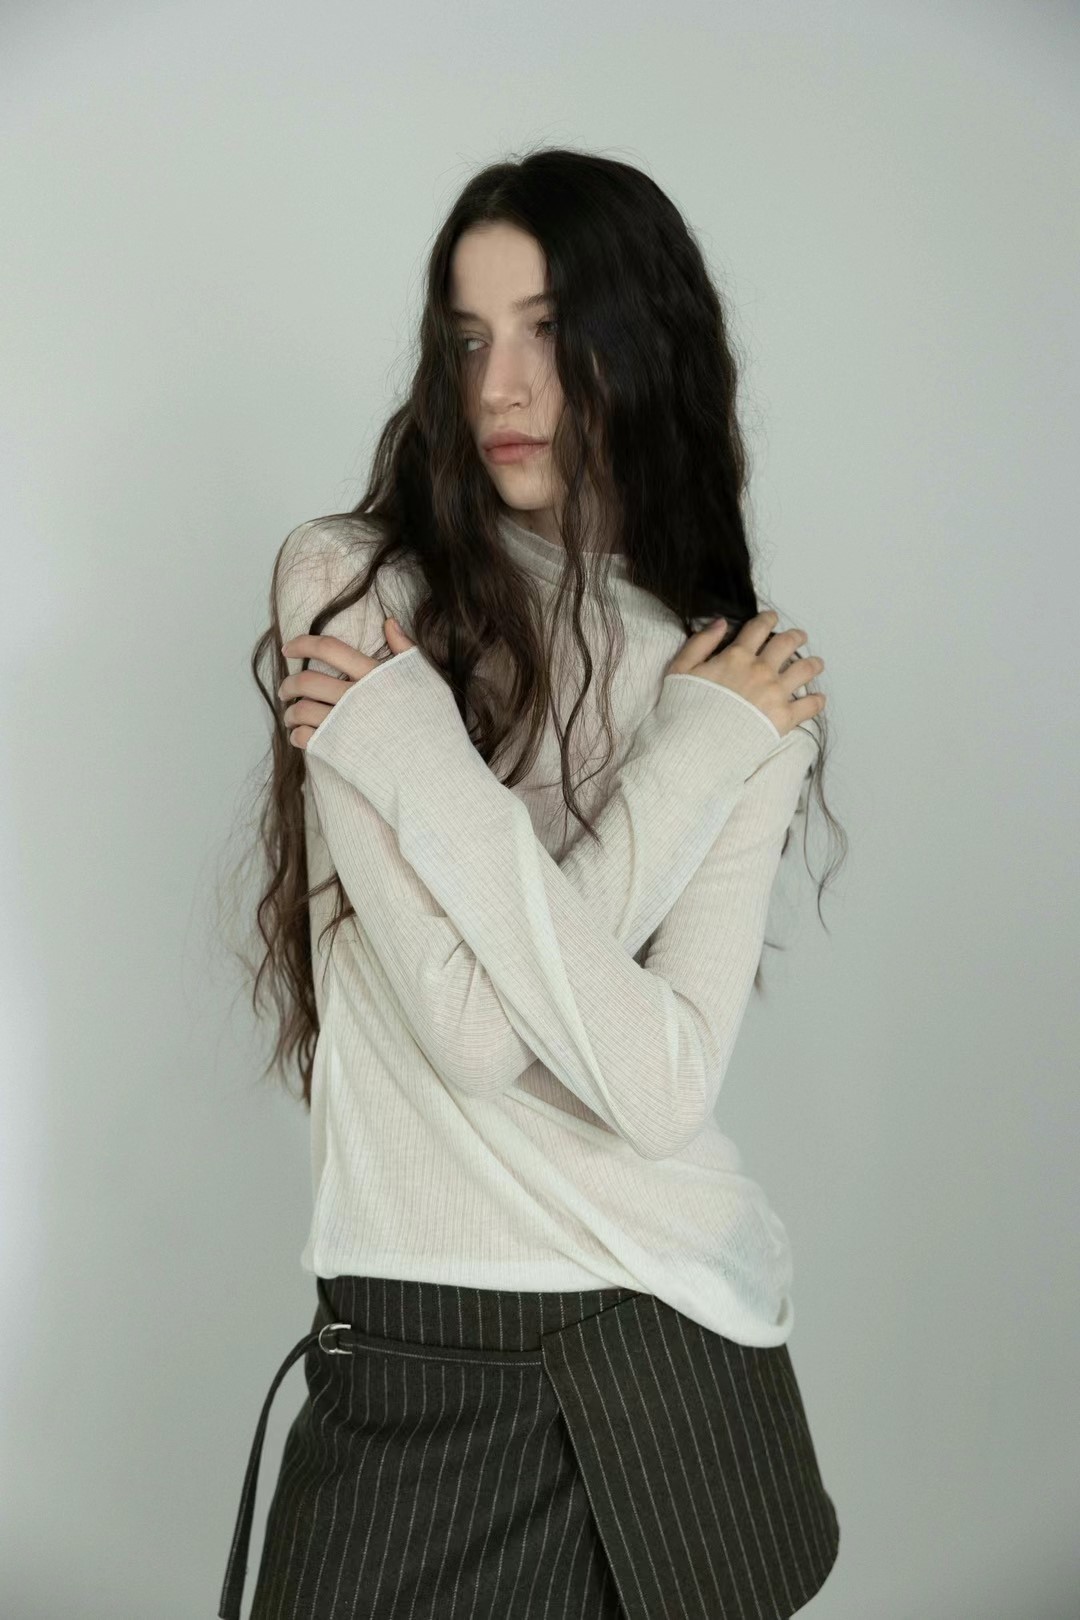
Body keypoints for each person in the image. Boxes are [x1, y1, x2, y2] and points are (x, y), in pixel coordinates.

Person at [219, 145, 846, 1620]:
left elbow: (662, 1086)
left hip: (675, 1357)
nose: (500, 385)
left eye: (549, 330)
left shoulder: (733, 679)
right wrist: (671, 767)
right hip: (417, 1361)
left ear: (645, 342)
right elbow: (471, 1034)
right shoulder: (353, 587)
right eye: (468, 338)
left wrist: (437, 760)